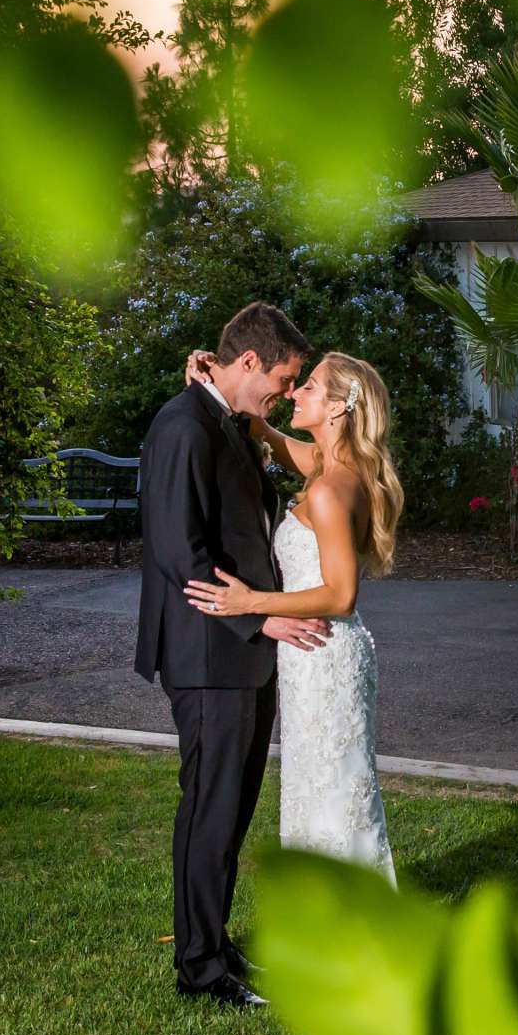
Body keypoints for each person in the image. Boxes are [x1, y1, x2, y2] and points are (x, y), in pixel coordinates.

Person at [135, 302, 329, 1010]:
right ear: (247, 362)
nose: (283, 390)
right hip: (212, 653)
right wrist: (262, 621)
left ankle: (211, 941)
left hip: (241, 653)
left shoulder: (231, 422)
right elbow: (180, 553)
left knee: (230, 810)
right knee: (211, 812)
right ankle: (201, 969)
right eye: (282, 377)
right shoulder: (184, 427)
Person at [180, 349, 403, 887]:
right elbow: (268, 435)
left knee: (331, 795)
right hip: (318, 656)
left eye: (309, 388)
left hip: (324, 653)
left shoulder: (329, 488)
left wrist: (250, 602)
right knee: (319, 790)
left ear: (337, 410)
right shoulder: (329, 466)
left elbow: (340, 595)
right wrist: (214, 381)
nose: (294, 393)